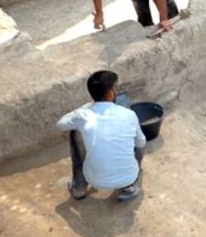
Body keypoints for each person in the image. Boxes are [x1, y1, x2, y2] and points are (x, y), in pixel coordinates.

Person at [57, 71, 146, 202]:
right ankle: (130, 187)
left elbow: (60, 124)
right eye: (115, 88)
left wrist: (87, 105)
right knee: (139, 142)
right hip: (128, 177)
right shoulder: (129, 114)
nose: (116, 91)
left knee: (75, 130)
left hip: (94, 180)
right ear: (110, 93)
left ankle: (79, 189)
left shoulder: (83, 115)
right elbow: (141, 143)